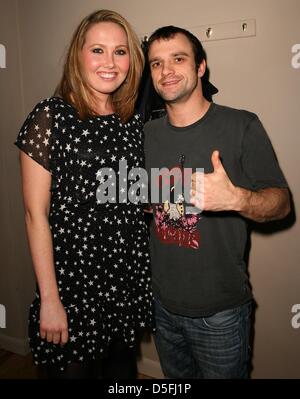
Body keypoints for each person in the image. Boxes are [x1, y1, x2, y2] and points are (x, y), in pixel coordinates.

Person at [144, 25, 290, 379]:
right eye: (156, 63)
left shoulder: (241, 125)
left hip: (220, 313)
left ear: (200, 67)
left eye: (178, 59)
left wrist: (236, 198)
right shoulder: (144, 134)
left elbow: (282, 204)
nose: (167, 71)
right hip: (162, 305)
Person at [15, 9, 153, 379]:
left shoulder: (130, 123)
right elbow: (35, 216)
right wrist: (50, 301)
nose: (110, 62)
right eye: (98, 50)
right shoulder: (51, 116)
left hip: (123, 283)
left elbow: (131, 200)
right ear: (78, 55)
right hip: (73, 288)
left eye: (120, 52)